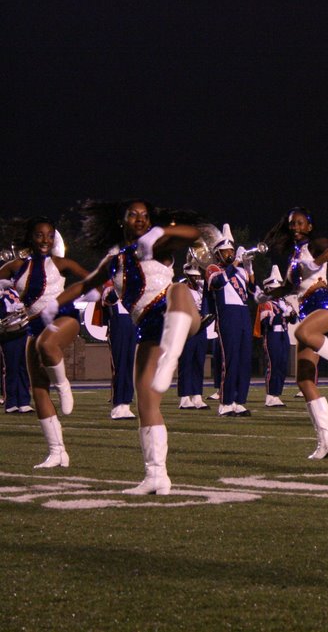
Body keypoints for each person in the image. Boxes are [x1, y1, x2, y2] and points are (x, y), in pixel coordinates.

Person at [48, 198, 208, 493]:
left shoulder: (157, 245)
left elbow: (194, 233)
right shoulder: (115, 261)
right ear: (121, 221)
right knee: (146, 401)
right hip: (147, 328)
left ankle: (172, 355)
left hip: (178, 313)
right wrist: (51, 305)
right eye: (133, 215)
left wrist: (160, 233)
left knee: (179, 289)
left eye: (145, 216)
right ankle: (156, 476)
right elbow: (82, 286)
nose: (140, 219)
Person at [262, 206, 328, 459]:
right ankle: (326, 439)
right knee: (304, 380)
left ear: (309, 226)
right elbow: (287, 287)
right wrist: (264, 294)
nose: (295, 228)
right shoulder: (293, 255)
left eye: (300, 223)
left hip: (323, 305)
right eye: (292, 224)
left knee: (303, 334)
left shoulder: (315, 244)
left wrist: (317, 261)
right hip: (306, 310)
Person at [0, 219, 91, 468]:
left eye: (50, 236)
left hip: (64, 317)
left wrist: (106, 289)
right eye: (40, 235)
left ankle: (63, 385)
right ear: (30, 238)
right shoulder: (15, 266)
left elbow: (93, 279)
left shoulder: (62, 263)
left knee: (47, 345)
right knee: (38, 389)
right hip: (33, 325)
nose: (45, 240)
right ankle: (57, 452)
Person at [205, 224, 254, 417]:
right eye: (226, 251)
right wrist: (234, 266)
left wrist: (249, 268)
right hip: (227, 315)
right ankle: (225, 402)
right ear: (218, 253)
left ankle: (239, 401)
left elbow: (252, 291)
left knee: (244, 359)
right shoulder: (213, 268)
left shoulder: (240, 271)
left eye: (232, 251)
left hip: (243, 315)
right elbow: (217, 284)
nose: (230, 254)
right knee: (231, 358)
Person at [97, 280, 137, 420]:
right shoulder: (110, 286)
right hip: (118, 325)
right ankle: (117, 404)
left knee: (129, 365)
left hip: (132, 323)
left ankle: (126, 403)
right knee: (119, 365)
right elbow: (109, 298)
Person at [257, 265, 294, 408]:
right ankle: (270, 395)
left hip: (284, 334)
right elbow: (266, 322)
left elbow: (293, 320)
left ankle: (277, 394)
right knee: (273, 364)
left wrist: (291, 313)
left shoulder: (284, 303)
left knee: (283, 365)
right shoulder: (266, 303)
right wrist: (282, 314)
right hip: (272, 335)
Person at [176, 263, 210, 409]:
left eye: (198, 276)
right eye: (194, 276)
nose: (198, 279)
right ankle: (184, 397)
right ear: (188, 276)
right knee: (186, 362)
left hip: (201, 329)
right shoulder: (181, 289)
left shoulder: (202, 290)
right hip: (187, 329)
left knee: (198, 361)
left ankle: (197, 395)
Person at [1, 286, 32, 413]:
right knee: (12, 367)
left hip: (22, 330)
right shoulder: (4, 291)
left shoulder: (17, 291)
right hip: (9, 334)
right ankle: (11, 402)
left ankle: (24, 402)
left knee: (23, 367)